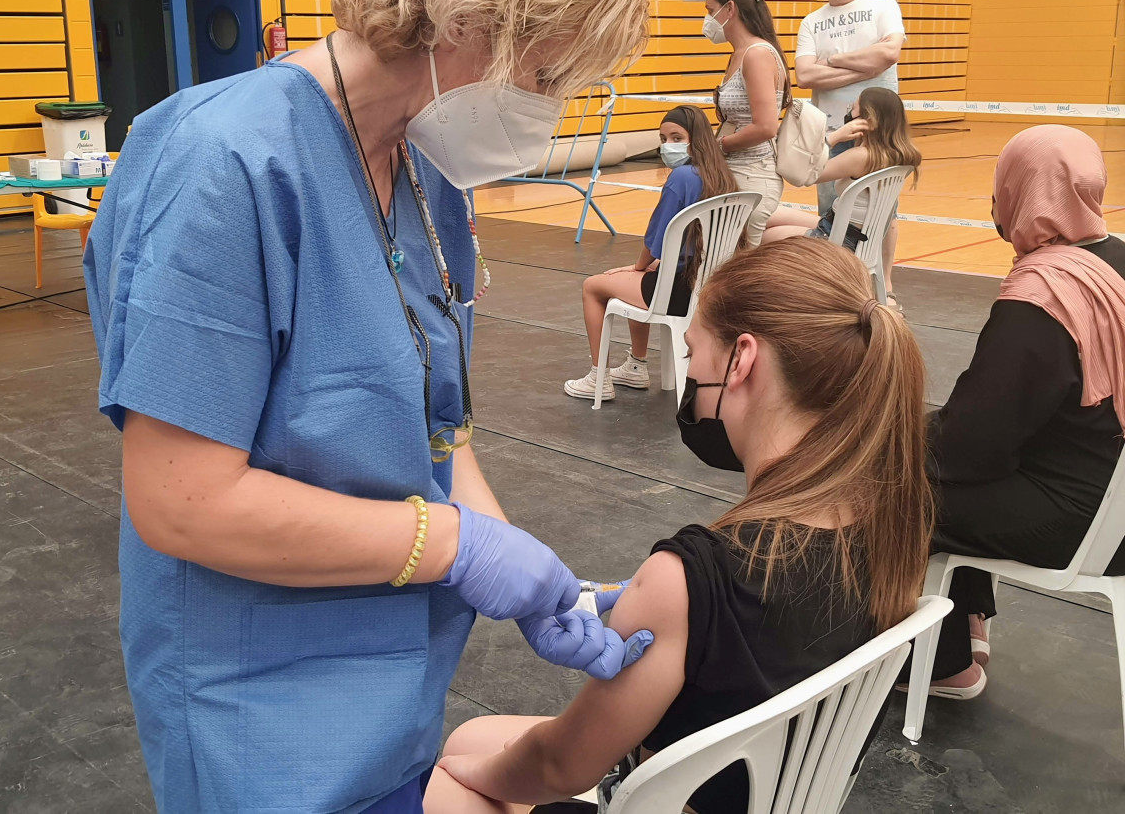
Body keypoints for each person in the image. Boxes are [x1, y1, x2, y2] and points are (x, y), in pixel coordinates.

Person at [81, 0, 654, 811]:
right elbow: (183, 501)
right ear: (470, 20)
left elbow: (437, 422)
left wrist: (530, 574)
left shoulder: (421, 174)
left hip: (395, 687)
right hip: (261, 707)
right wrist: (457, 546)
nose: (550, 107)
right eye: (546, 76)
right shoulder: (225, 164)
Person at [425, 238, 934, 813]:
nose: (691, 376)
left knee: (449, 777)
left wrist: (471, 776)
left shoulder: (692, 577)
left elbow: (558, 767)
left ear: (742, 360)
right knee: (476, 741)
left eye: (694, 353)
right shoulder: (892, 522)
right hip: (774, 793)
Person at [924, 125, 1125, 699]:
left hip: (1081, 523)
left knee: (893, 487)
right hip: (1116, 501)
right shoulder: (1115, 260)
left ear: (1017, 191)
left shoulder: (1044, 295)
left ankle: (944, 664)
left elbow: (969, 448)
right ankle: (969, 619)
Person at [563, 105, 736, 400]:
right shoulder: (723, 175)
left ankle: (598, 379)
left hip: (677, 289)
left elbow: (654, 240)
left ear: (696, 139)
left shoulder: (681, 177)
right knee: (642, 275)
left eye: (676, 137)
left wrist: (638, 266)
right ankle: (634, 367)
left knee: (594, 286)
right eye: (663, 138)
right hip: (710, 285)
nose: (668, 145)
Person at [761, 87, 920, 310]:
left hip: (838, 239)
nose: (848, 114)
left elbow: (806, 175)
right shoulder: (903, 155)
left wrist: (833, 138)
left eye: (852, 109)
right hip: (856, 234)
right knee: (770, 214)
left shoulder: (861, 157)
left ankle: (783, 299)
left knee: (763, 233)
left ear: (868, 121)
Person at [795, 0, 906, 235]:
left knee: (882, 216)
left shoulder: (883, 6)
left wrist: (832, 60)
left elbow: (890, 52)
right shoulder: (811, 21)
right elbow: (805, 75)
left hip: (875, 132)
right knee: (831, 216)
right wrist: (866, 67)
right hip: (831, 130)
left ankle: (884, 280)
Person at [704, 0, 791, 247]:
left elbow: (766, 127)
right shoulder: (740, 54)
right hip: (736, 174)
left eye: (710, 10)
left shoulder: (757, 54)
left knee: (735, 270)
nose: (707, 20)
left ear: (729, 9)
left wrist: (717, 146)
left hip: (752, 176)